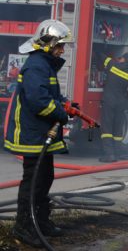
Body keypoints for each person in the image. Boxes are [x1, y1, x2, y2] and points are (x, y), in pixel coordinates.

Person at [3, 20, 73, 247]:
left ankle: (41, 222)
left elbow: (49, 94)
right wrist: (61, 113)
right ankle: (23, 227)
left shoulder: (45, 64)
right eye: (60, 45)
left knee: (45, 178)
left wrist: (66, 104)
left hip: (41, 133)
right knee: (33, 182)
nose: (62, 50)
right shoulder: (37, 65)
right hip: (31, 134)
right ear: (47, 43)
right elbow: (39, 101)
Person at [100, 52, 128, 162]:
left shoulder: (113, 65)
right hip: (121, 103)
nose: (119, 59)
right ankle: (117, 154)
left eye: (120, 58)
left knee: (107, 129)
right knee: (118, 129)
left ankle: (109, 155)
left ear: (123, 59)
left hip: (109, 102)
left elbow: (101, 56)